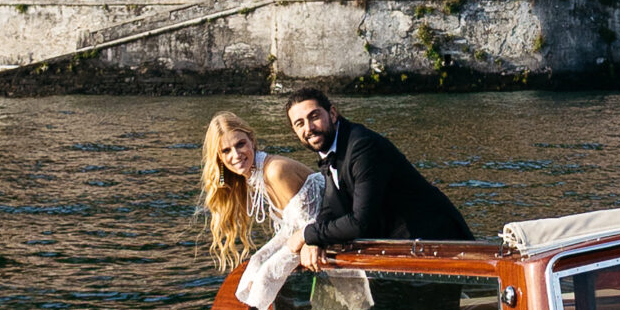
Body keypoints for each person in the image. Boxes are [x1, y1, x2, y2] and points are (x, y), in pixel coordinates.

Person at [284, 88, 472, 257]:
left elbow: (360, 222)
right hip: (404, 246)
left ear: (332, 114)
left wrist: (307, 234)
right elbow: (331, 205)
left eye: (314, 116)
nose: (308, 128)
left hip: (437, 244)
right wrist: (314, 239)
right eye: (299, 123)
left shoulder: (362, 146)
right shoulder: (334, 147)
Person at [198, 110, 311, 272]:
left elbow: (307, 225)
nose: (236, 155)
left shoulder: (274, 171)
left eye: (240, 144)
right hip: (314, 234)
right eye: (226, 151)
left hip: (340, 233)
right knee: (256, 265)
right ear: (219, 158)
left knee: (263, 270)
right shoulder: (250, 177)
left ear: (252, 140)